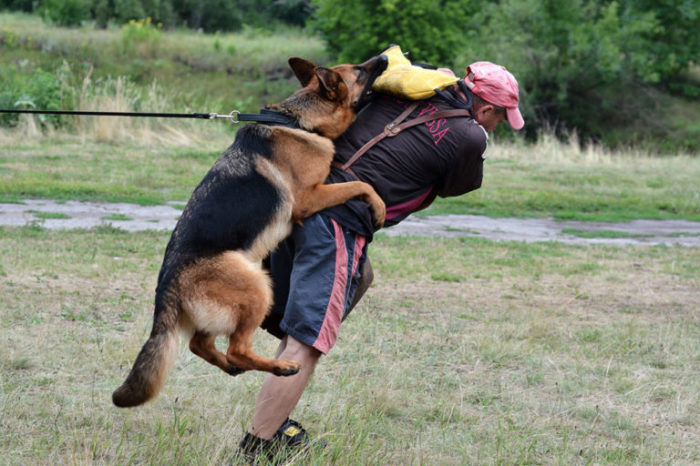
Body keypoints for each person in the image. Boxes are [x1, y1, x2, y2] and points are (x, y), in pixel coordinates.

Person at [236, 60, 524, 462]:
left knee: (359, 277)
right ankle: (258, 445)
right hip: (338, 217)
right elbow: (459, 185)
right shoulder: (469, 136)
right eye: (499, 118)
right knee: (308, 340)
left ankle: (274, 413)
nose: (495, 127)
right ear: (486, 109)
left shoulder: (413, 84)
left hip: (300, 196)